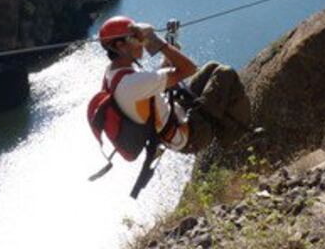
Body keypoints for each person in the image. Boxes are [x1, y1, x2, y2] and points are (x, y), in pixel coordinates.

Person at [97, 15, 252, 154]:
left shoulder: (115, 72)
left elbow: (151, 84)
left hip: (175, 115)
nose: (142, 43)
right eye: (136, 38)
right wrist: (156, 41)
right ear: (119, 45)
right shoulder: (132, 83)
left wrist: (169, 48)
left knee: (211, 67)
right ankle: (237, 142)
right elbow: (189, 69)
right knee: (225, 73)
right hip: (190, 136)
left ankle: (226, 128)